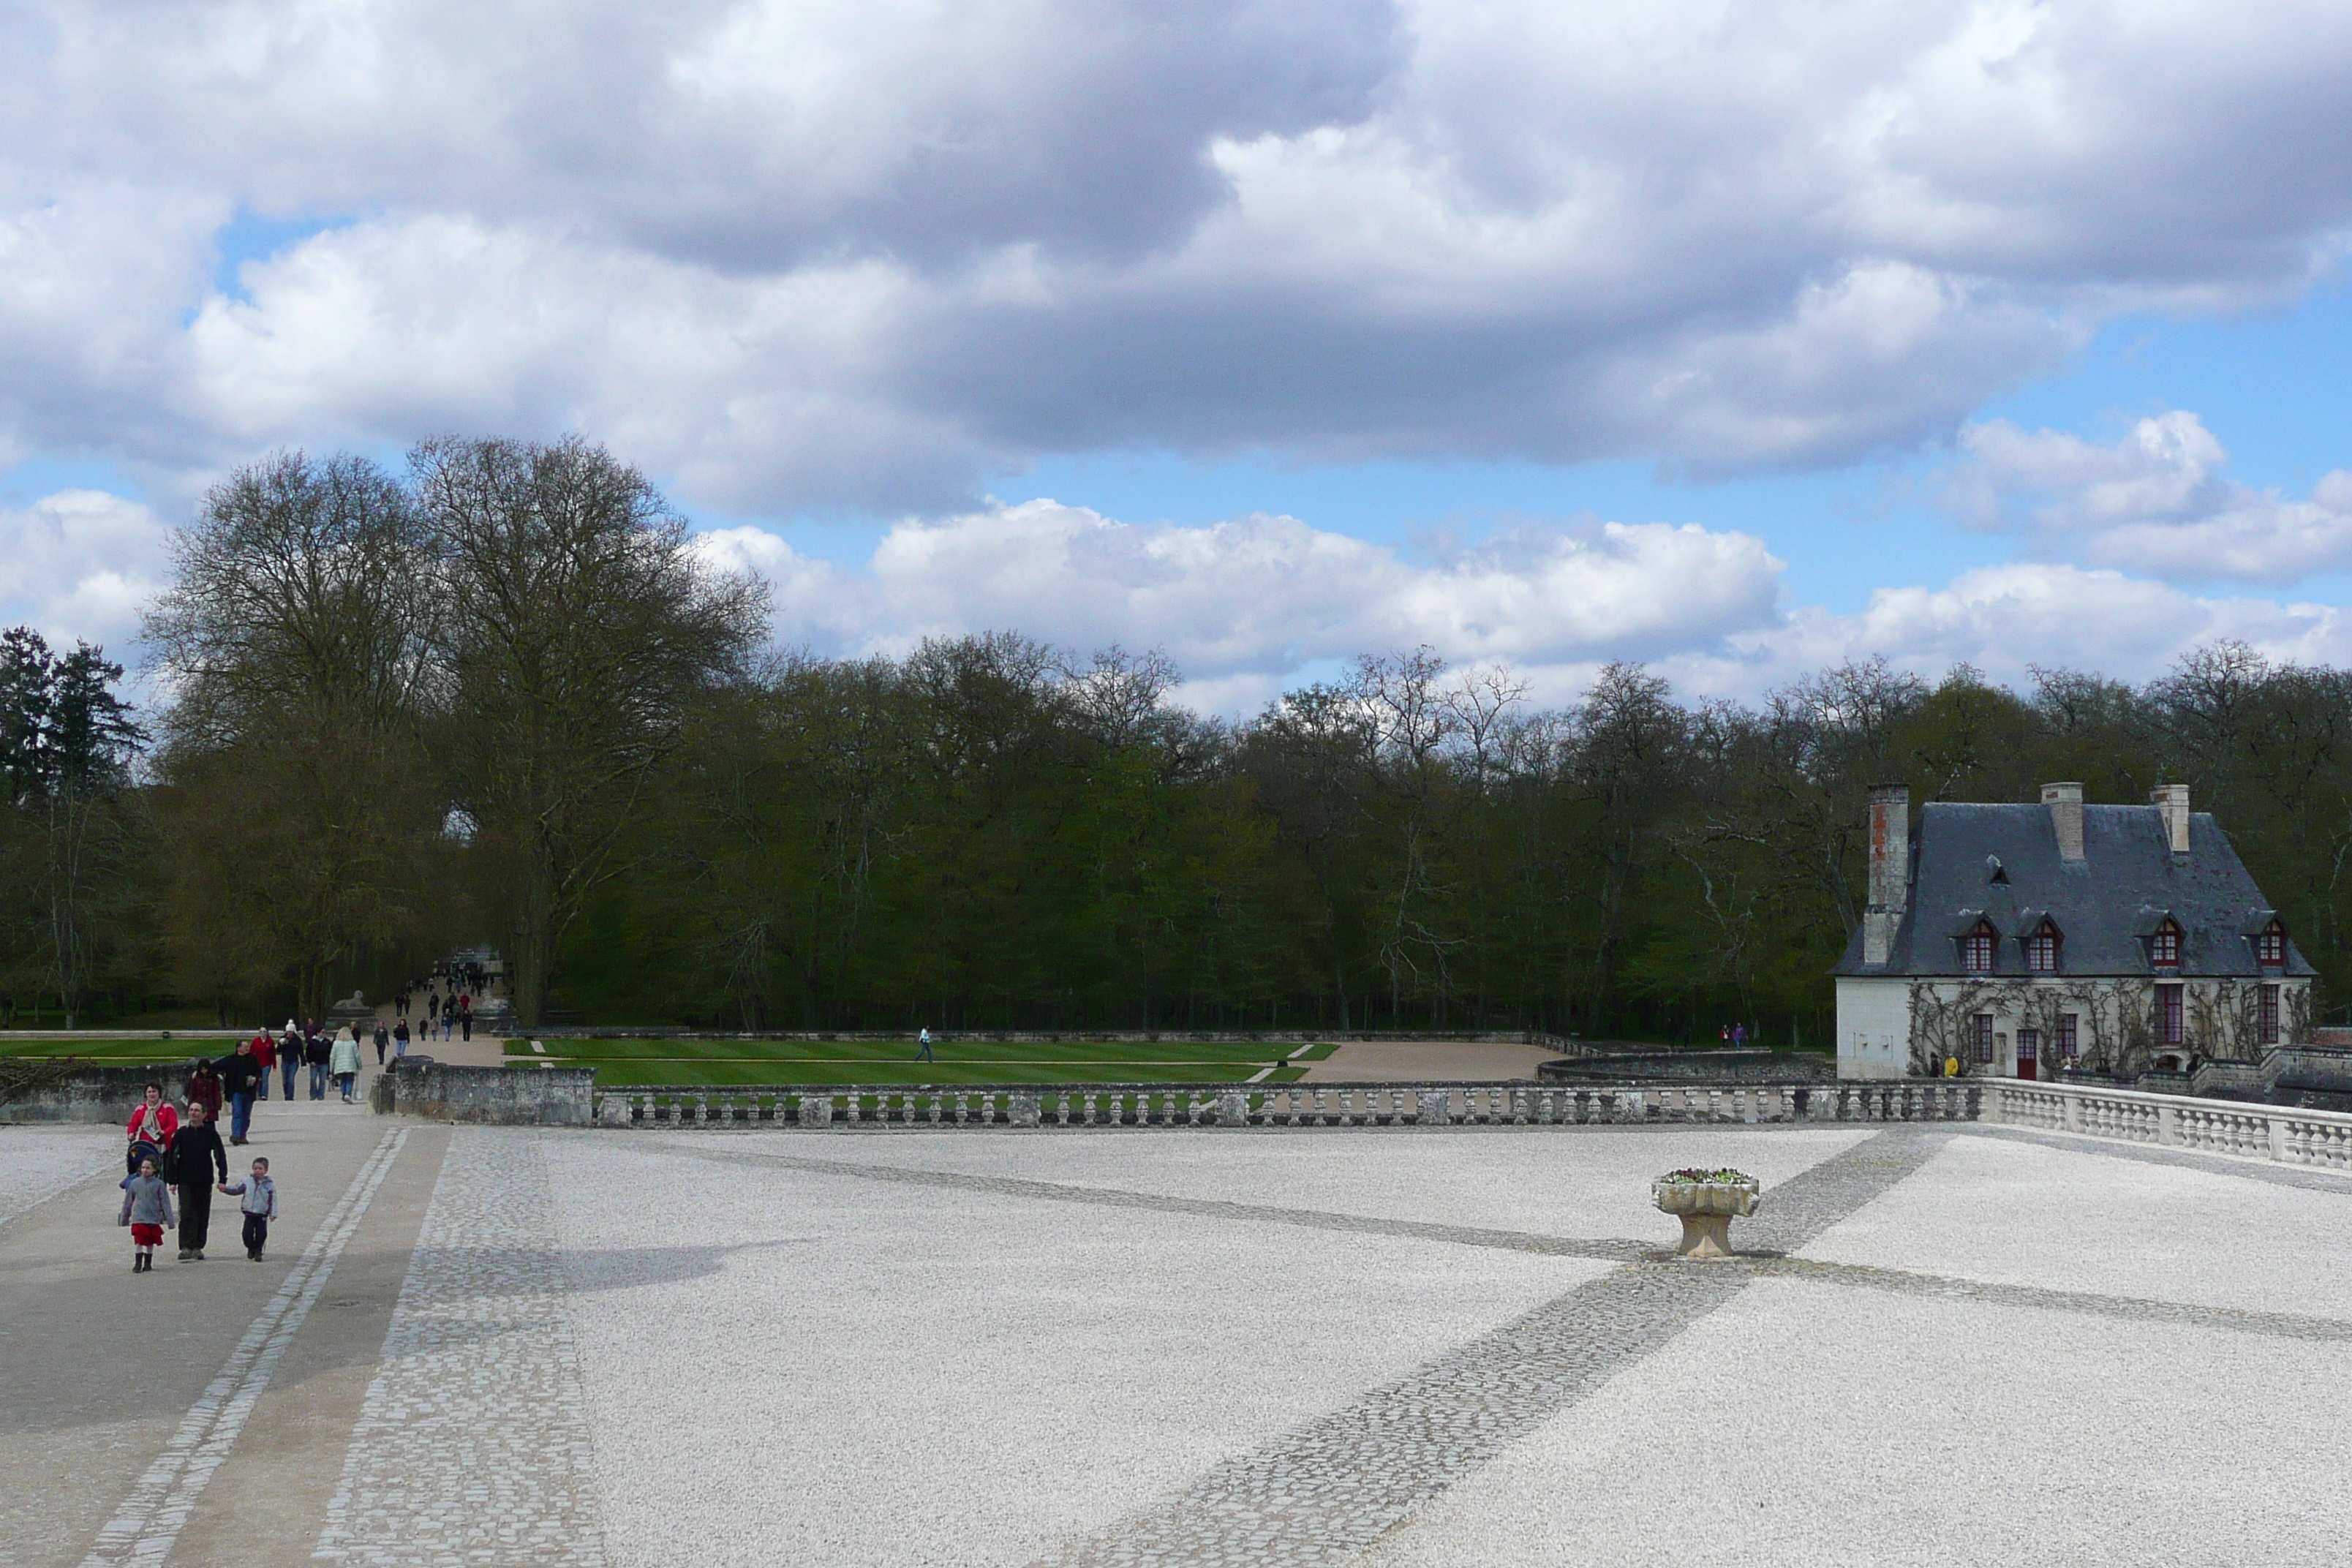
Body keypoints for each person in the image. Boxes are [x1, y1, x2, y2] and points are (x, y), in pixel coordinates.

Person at [165, 1102, 229, 1260]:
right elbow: (171, 1157)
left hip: (204, 1179)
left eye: (197, 1111)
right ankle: (186, 1246)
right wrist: (171, 1180)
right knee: (186, 1212)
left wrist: (223, 1178)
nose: (194, 1113)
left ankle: (198, 1246)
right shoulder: (181, 1134)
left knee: (202, 1213)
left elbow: (220, 1155)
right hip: (185, 1179)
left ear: (204, 1115)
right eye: (191, 1110)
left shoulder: (210, 1133)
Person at [118, 1155, 173, 1273]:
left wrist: (170, 1221)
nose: (145, 1170)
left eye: (148, 1168)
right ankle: (138, 1263)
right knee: (139, 1241)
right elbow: (128, 1202)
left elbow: (165, 1203)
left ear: (154, 1169)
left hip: (153, 1218)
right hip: (139, 1217)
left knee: (150, 1242)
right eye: (143, 1168)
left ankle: (148, 1263)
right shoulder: (135, 1183)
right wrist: (124, 1218)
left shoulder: (159, 1184)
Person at [218, 1156, 279, 1262]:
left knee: (261, 1234)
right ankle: (251, 1247)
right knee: (247, 1234)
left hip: (262, 1214)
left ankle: (258, 1251)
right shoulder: (247, 1182)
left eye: (260, 1169)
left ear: (266, 1170)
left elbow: (273, 1200)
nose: (258, 1171)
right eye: (255, 1169)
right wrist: (225, 1189)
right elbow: (236, 1190)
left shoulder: (269, 1185)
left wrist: (273, 1213)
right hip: (249, 1213)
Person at [216, 1038, 264, 1146]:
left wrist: (255, 1078)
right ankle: (236, 1135)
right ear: (239, 1048)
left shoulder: (252, 1059)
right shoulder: (231, 1060)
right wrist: (200, 1071)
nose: (247, 1048)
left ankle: (242, 1135)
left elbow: (259, 1072)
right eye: (245, 1047)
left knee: (246, 1115)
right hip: (236, 1091)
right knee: (237, 1113)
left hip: (249, 1092)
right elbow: (216, 1066)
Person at [127, 1083, 178, 1175]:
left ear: (159, 1093)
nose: (152, 1094)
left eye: (154, 1091)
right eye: (149, 1092)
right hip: (145, 1145)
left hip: (163, 1145)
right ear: (146, 1094)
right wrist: (131, 1133)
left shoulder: (168, 1108)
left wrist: (164, 1132)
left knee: (163, 1173)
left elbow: (173, 1125)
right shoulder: (140, 1109)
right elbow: (133, 1124)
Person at [184, 1059, 224, 1127]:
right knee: (197, 1122)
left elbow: (216, 1092)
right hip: (199, 1102)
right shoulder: (196, 1078)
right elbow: (192, 1092)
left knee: (210, 1124)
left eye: (205, 1069)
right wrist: (190, 1105)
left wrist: (218, 1105)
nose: (204, 1071)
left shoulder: (213, 1078)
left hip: (210, 1104)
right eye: (202, 1069)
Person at [329, 1025, 363, 1103]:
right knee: (350, 1081)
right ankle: (348, 1094)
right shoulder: (353, 1043)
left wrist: (331, 1068)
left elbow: (332, 1056)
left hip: (340, 1065)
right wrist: (359, 1065)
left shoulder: (336, 1043)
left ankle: (344, 1094)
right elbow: (357, 1055)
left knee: (342, 1081)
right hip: (350, 1065)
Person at [305, 1028, 331, 1100]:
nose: (323, 1034)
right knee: (313, 1079)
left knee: (323, 1080)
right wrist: (310, 1061)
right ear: (318, 1033)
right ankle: (313, 1094)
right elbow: (308, 1053)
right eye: (322, 1032)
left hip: (324, 1063)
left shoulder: (327, 1042)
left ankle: (321, 1095)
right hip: (314, 1064)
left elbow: (330, 1052)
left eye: (324, 1032)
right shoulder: (312, 1042)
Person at [280, 1023, 303, 1098]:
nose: (289, 1033)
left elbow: (301, 1052)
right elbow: (278, 1050)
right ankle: (286, 1094)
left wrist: (304, 1063)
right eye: (288, 1032)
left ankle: (290, 1097)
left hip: (294, 1062)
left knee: (290, 1080)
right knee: (285, 1081)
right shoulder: (283, 1038)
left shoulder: (297, 1040)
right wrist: (282, 1044)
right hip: (285, 1062)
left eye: (290, 1032)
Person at [252, 1030, 275, 1100]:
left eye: (264, 1031)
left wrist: (274, 1065)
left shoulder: (270, 1042)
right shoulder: (256, 1041)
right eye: (261, 1031)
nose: (262, 1033)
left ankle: (264, 1095)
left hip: (267, 1064)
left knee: (265, 1079)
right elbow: (252, 1052)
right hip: (257, 1064)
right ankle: (259, 1094)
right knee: (259, 1079)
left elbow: (273, 1054)